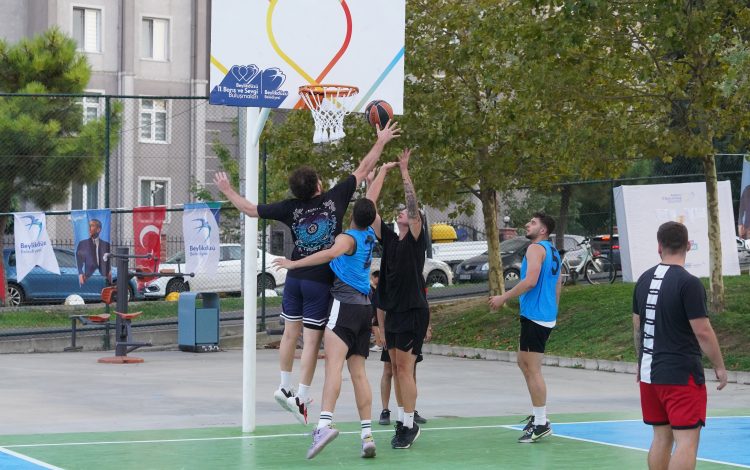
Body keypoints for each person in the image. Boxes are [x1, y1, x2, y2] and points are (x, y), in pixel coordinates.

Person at [214, 122, 400, 425]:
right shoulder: (334, 199)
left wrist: (227, 190)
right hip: (318, 281)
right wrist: (380, 141)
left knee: (290, 333)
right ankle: (300, 394)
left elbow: (249, 209)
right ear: (318, 185)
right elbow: (365, 166)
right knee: (311, 341)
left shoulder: (289, 208)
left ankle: (283, 385)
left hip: (294, 280)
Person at [273, 198, 378, 459]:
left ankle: (323, 425)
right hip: (365, 309)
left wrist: (293, 264)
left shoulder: (348, 239)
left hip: (344, 307)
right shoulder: (370, 235)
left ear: (352, 213)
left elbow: (329, 254)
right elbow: (371, 200)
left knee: (333, 367)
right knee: (359, 374)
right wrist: (377, 177)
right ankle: (367, 435)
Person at [632, 221, 727, 470]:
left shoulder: (643, 280)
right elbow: (703, 331)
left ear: (659, 246)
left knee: (661, 438)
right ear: (688, 246)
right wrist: (719, 366)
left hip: (649, 374)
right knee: (686, 442)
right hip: (680, 375)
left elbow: (638, 326)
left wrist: (640, 362)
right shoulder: (689, 283)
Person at [366, 149, 427, 449]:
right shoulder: (390, 239)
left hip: (412, 311)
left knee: (405, 368)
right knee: (396, 366)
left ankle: (409, 424)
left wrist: (404, 171)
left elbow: (413, 209)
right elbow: (369, 212)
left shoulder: (416, 239)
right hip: (393, 313)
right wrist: (375, 177)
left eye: (406, 212)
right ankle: (404, 420)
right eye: (400, 212)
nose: (402, 212)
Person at [488, 212, 562, 443]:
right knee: (524, 362)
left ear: (543, 230)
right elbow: (558, 283)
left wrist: (503, 297)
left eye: (533, 223)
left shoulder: (535, 248)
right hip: (543, 315)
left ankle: (541, 422)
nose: (527, 225)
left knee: (532, 369)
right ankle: (538, 416)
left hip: (536, 316)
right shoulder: (553, 251)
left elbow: (530, 281)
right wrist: (553, 309)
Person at [76, 218, 111, 285]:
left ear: (98, 229)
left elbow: (108, 262)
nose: (89, 228)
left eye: (92, 226)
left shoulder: (106, 245)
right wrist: (80, 273)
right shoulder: (82, 244)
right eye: (89, 226)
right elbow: (78, 261)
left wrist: (109, 272)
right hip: (87, 276)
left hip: (102, 276)